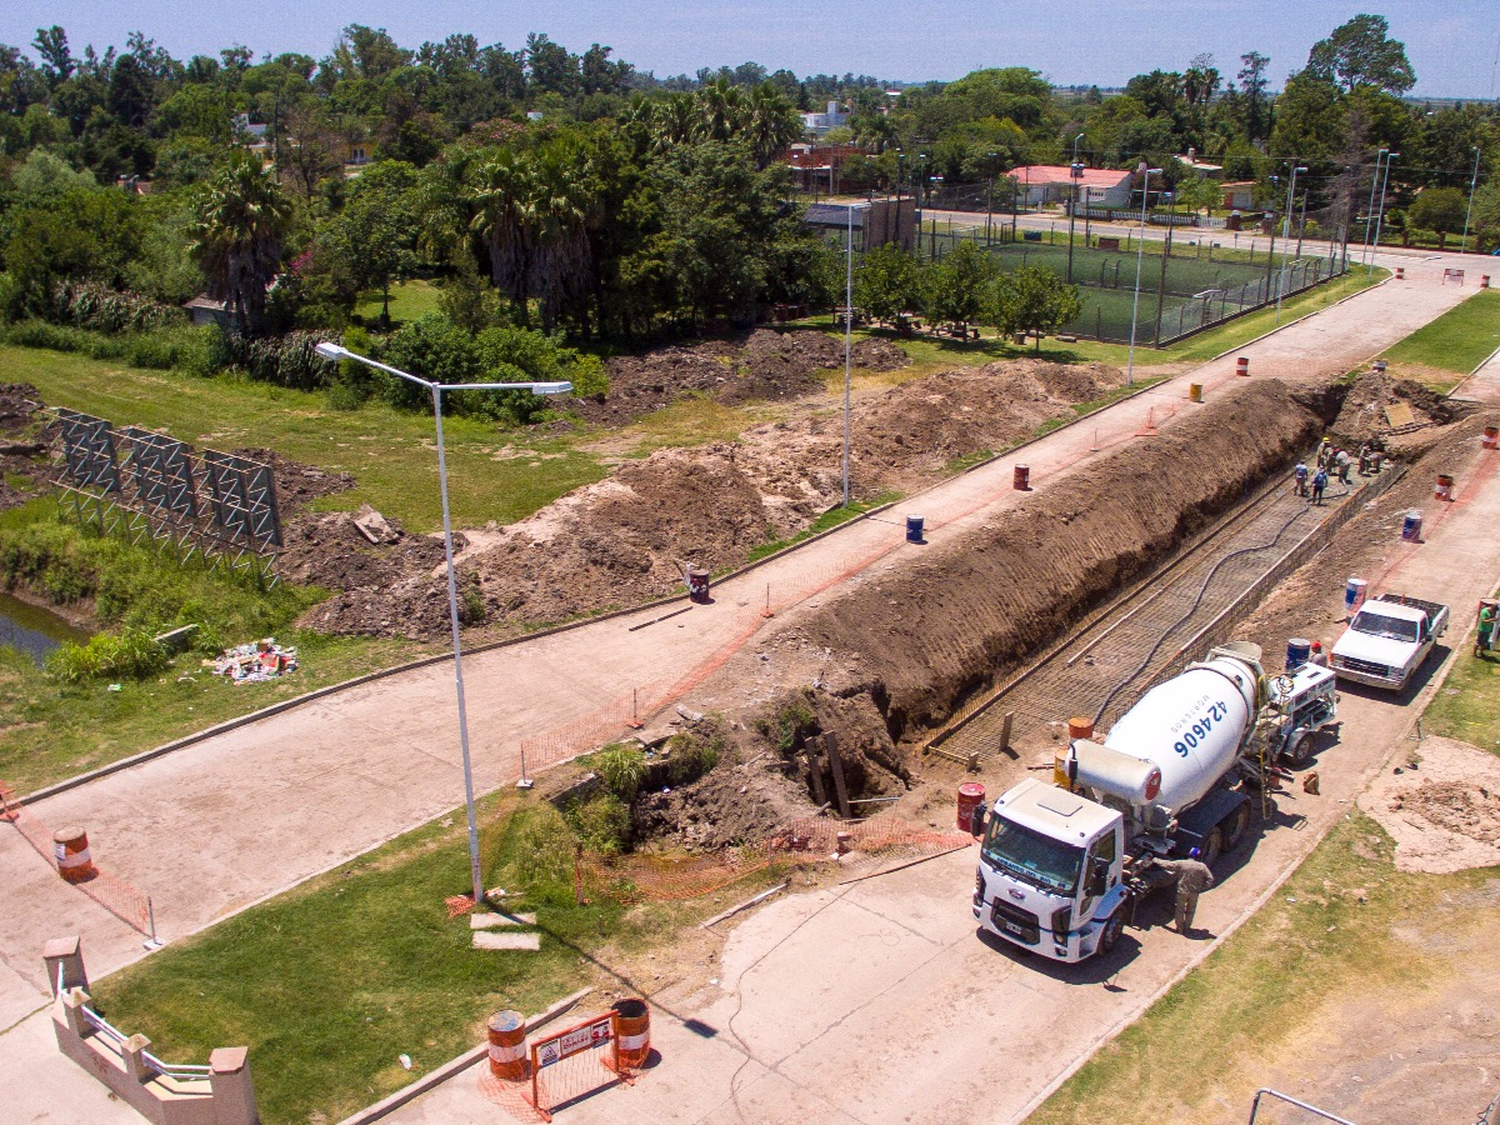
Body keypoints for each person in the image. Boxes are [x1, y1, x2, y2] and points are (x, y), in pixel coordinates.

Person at [1153, 850, 1215, 933]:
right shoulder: (1202, 866)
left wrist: (1155, 860)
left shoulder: (1182, 863)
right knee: (1191, 910)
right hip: (1194, 892)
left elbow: (1168, 865)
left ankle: (1179, 928)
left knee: (1180, 909)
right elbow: (1210, 879)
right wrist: (1202, 887)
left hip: (1182, 891)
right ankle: (1187, 927)